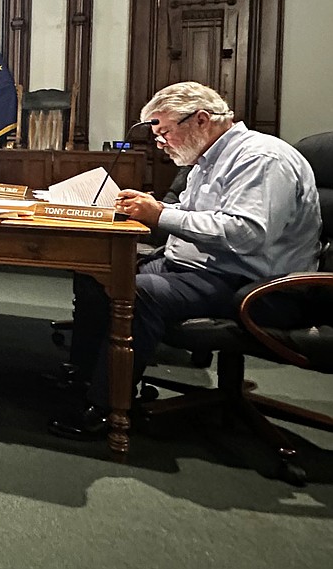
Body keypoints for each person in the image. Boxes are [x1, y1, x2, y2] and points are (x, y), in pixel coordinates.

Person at [48, 81, 321, 440]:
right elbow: (196, 213)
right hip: (204, 268)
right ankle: (89, 377)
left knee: (138, 292)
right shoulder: (210, 159)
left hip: (257, 285)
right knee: (98, 274)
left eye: (163, 131)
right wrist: (149, 208)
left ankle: (107, 407)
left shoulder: (261, 159)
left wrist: (160, 214)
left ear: (201, 120)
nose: (159, 143)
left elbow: (247, 234)